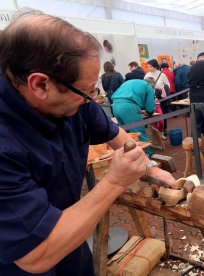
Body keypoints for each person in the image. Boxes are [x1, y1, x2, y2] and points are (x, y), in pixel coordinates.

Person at [0, 10, 176, 275]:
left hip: (71, 236)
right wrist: (115, 181)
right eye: (88, 90)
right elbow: (34, 255)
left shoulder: (76, 98)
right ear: (40, 85)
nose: (92, 98)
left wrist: (149, 167)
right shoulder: (5, 142)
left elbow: (113, 133)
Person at [111, 79, 156, 156]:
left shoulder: (132, 82)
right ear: (152, 85)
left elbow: (129, 98)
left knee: (126, 135)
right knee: (139, 134)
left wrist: (138, 109)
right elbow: (150, 108)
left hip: (115, 106)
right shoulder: (148, 86)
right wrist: (149, 113)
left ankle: (131, 155)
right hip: (128, 107)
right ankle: (148, 155)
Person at [145, 59, 170, 137]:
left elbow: (168, 85)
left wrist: (161, 88)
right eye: (148, 66)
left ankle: (164, 129)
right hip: (151, 97)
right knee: (154, 114)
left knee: (163, 113)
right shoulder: (147, 75)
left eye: (151, 66)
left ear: (155, 67)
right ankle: (156, 133)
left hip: (161, 97)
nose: (149, 68)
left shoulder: (161, 74)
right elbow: (144, 85)